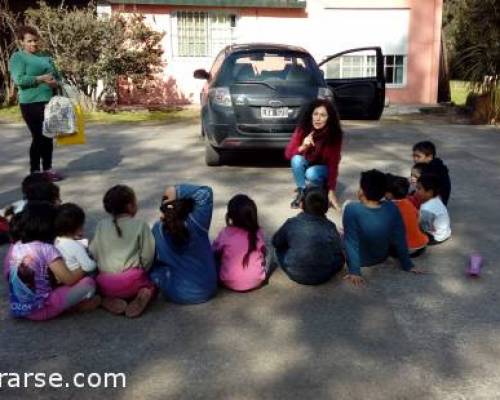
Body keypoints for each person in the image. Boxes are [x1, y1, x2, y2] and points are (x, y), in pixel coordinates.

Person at [6, 202, 99, 320]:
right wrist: (84, 266)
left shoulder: (17, 246)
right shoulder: (46, 248)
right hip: (42, 309)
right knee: (88, 283)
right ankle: (75, 307)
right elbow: (69, 279)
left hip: (18, 309)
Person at [343, 170, 421, 286]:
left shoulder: (352, 209)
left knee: (340, 234)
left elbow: (351, 242)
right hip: (381, 256)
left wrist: (355, 271)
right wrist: (407, 265)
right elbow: (400, 238)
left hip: (362, 260)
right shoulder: (392, 207)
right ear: (384, 192)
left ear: (362, 191)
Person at [90, 185, 155, 318]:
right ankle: (144, 292)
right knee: (155, 282)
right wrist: (143, 271)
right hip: (133, 282)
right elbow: (148, 256)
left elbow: (93, 251)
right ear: (130, 206)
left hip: (105, 284)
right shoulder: (140, 225)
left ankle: (104, 298)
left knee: (95, 281)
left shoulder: (101, 225)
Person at [9, 26, 63, 181]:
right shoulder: (18, 57)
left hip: (50, 103)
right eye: (29, 41)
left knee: (48, 136)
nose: (33, 44)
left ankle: (47, 169)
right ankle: (35, 172)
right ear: (21, 42)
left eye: (35, 40)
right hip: (30, 103)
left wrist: (55, 83)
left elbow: (59, 77)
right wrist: (41, 78)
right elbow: (19, 80)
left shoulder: (46, 57)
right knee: (38, 136)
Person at [149, 184, 218, 304]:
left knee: (154, 269)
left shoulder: (157, 229)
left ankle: (148, 289)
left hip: (178, 293)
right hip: (209, 288)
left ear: (164, 208)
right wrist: (175, 190)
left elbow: (151, 259)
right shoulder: (198, 222)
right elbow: (205, 193)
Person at [272, 187, 344, 285]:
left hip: (294, 272)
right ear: (327, 208)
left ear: (301, 205)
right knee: (341, 257)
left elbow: (276, 242)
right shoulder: (329, 226)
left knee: (278, 250)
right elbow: (337, 249)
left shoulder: (291, 223)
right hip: (323, 275)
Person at [285, 99, 343, 210]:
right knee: (296, 159)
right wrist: (303, 147)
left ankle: (320, 186)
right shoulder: (303, 128)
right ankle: (302, 192)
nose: (318, 118)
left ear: (329, 118)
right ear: (310, 115)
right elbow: (288, 154)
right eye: (315, 114)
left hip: (323, 167)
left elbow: (333, 164)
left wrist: (331, 191)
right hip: (309, 162)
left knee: (311, 173)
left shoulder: (335, 134)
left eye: (323, 115)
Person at [212, 194, 267, 292]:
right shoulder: (258, 232)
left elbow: (214, 251)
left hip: (228, 282)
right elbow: (263, 252)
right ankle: (256, 271)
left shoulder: (225, 233)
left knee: (214, 258)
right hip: (257, 281)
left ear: (230, 216)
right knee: (269, 250)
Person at [385, 174, 428, 257]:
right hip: (420, 246)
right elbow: (418, 217)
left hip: (404, 249)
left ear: (389, 194)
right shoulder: (408, 202)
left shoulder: (388, 208)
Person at [54, 203, 97, 276]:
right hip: (78, 277)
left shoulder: (56, 240)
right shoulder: (76, 246)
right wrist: (95, 261)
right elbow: (89, 267)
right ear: (78, 228)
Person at [416, 174, 451, 244]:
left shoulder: (427, 208)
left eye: (419, 188)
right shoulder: (437, 198)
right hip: (445, 232)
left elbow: (425, 227)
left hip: (436, 237)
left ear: (430, 192)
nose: (416, 191)